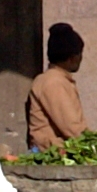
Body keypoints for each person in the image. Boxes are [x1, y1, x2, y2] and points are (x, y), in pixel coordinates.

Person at [24, 24, 90, 152]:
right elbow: (71, 128)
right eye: (80, 54)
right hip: (53, 154)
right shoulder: (53, 82)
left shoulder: (58, 80)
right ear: (72, 58)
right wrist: (95, 145)